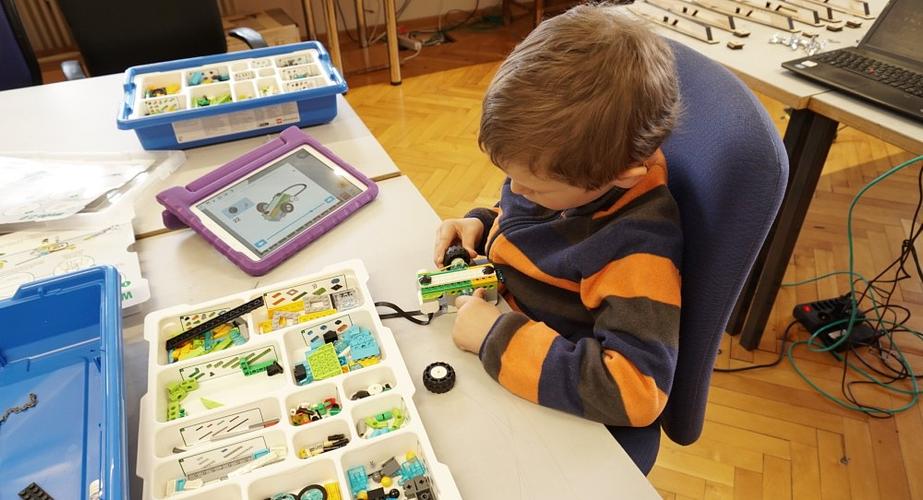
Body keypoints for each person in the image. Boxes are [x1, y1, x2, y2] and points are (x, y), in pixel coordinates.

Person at [433, 4, 683, 429]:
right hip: (498, 316)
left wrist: (496, 337)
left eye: (533, 186)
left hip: (547, 392)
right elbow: (536, 214)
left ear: (621, 177)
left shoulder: (636, 250)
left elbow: (638, 393)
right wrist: (482, 222)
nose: (516, 190)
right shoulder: (571, 177)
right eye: (510, 177)